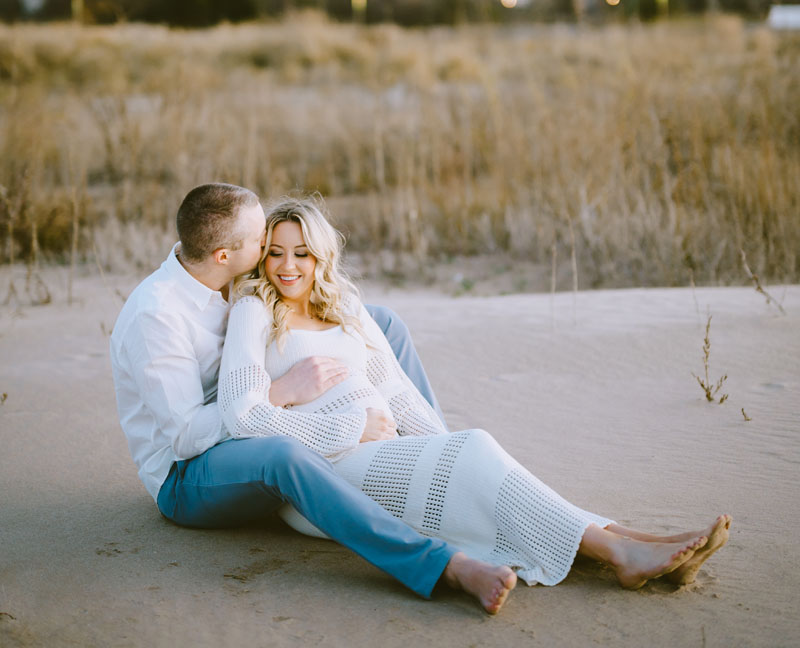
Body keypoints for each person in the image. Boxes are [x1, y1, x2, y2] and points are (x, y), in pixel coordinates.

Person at [218, 194, 731, 594]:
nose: (288, 266)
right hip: (324, 474)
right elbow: (241, 415)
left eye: (302, 253)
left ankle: (640, 542)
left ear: (321, 256)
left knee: (475, 454)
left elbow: (396, 391)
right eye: (277, 253)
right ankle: (620, 553)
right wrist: (349, 427)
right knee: (477, 455)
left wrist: (443, 447)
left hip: (381, 452)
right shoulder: (255, 311)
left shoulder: (346, 304)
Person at [110, 183, 517, 615]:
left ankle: (441, 461)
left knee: (380, 323)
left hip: (247, 416)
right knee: (281, 454)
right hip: (191, 475)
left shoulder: (227, 273)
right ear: (224, 255)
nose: (269, 241)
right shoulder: (156, 317)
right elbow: (187, 437)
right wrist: (277, 394)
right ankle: (439, 563)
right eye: (261, 240)